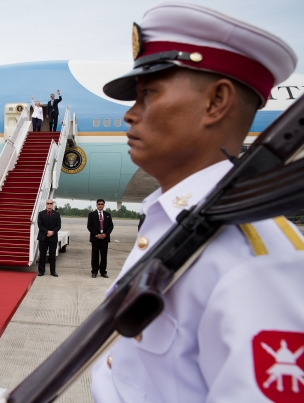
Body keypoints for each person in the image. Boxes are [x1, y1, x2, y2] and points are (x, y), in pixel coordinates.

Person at [90, 4, 303, 402]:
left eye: (147, 94)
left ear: (216, 102)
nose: (130, 115)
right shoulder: (175, 222)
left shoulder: (256, 262)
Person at [87, 199, 113, 278]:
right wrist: (96, 234)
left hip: (105, 238)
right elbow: (89, 226)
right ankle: (94, 271)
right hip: (95, 238)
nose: (100, 205)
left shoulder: (107, 215)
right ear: (96, 205)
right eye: (99, 204)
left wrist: (105, 234)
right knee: (95, 256)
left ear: (104, 205)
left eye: (102, 204)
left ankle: (103, 272)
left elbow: (111, 226)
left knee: (104, 256)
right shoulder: (91, 214)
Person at [37, 199, 61, 277]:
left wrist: (52, 232)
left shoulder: (57, 214)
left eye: (51, 203)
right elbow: (40, 225)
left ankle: (53, 271)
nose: (49, 205)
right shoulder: (41, 214)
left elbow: (58, 225)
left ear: (53, 204)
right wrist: (47, 232)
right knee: (42, 255)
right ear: (46, 204)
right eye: (48, 203)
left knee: (52, 255)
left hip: (53, 238)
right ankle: (41, 271)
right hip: (43, 237)